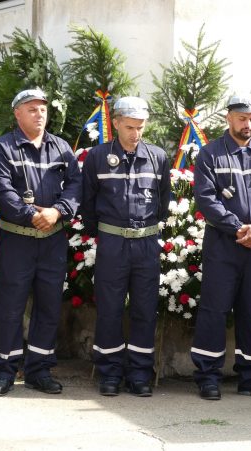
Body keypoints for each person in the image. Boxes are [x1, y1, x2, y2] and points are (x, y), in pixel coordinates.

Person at [0, 88, 82, 397]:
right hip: (17, 240)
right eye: (31, 109)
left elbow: (76, 185)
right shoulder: (3, 148)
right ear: (17, 114)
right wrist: (32, 215)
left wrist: (58, 211)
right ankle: (4, 371)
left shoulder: (61, 147)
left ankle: (39, 370)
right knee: (9, 307)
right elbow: (1, 190)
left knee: (49, 307)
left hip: (52, 241)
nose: (39, 114)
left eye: (42, 109)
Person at [190, 94, 251, 401]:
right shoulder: (210, 155)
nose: (248, 124)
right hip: (223, 245)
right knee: (214, 310)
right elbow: (206, 199)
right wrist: (238, 228)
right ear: (229, 118)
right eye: (242, 118)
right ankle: (208, 376)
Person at [80, 96, 171, 397]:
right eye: (130, 127)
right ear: (116, 123)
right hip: (113, 243)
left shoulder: (157, 157)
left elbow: (163, 201)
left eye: (140, 127)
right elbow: (88, 203)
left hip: (146, 244)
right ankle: (109, 373)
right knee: (110, 308)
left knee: (145, 309)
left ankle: (140, 374)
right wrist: (105, 233)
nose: (135, 133)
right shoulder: (97, 157)